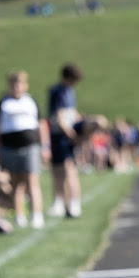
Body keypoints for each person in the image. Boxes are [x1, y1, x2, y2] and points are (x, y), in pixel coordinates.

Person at [0, 70, 49, 229]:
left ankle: (36, 214)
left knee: (32, 181)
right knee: (15, 183)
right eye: (13, 84)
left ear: (25, 85)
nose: (16, 87)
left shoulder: (30, 101)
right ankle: (19, 215)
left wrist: (45, 146)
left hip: (29, 147)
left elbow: (41, 125)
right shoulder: (4, 103)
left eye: (19, 84)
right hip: (9, 148)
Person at [47, 63, 84, 218]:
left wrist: (72, 134)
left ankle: (72, 202)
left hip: (64, 135)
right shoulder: (59, 91)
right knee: (60, 170)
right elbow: (59, 117)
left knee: (67, 170)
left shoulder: (68, 91)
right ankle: (62, 202)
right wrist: (71, 135)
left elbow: (69, 114)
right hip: (60, 134)